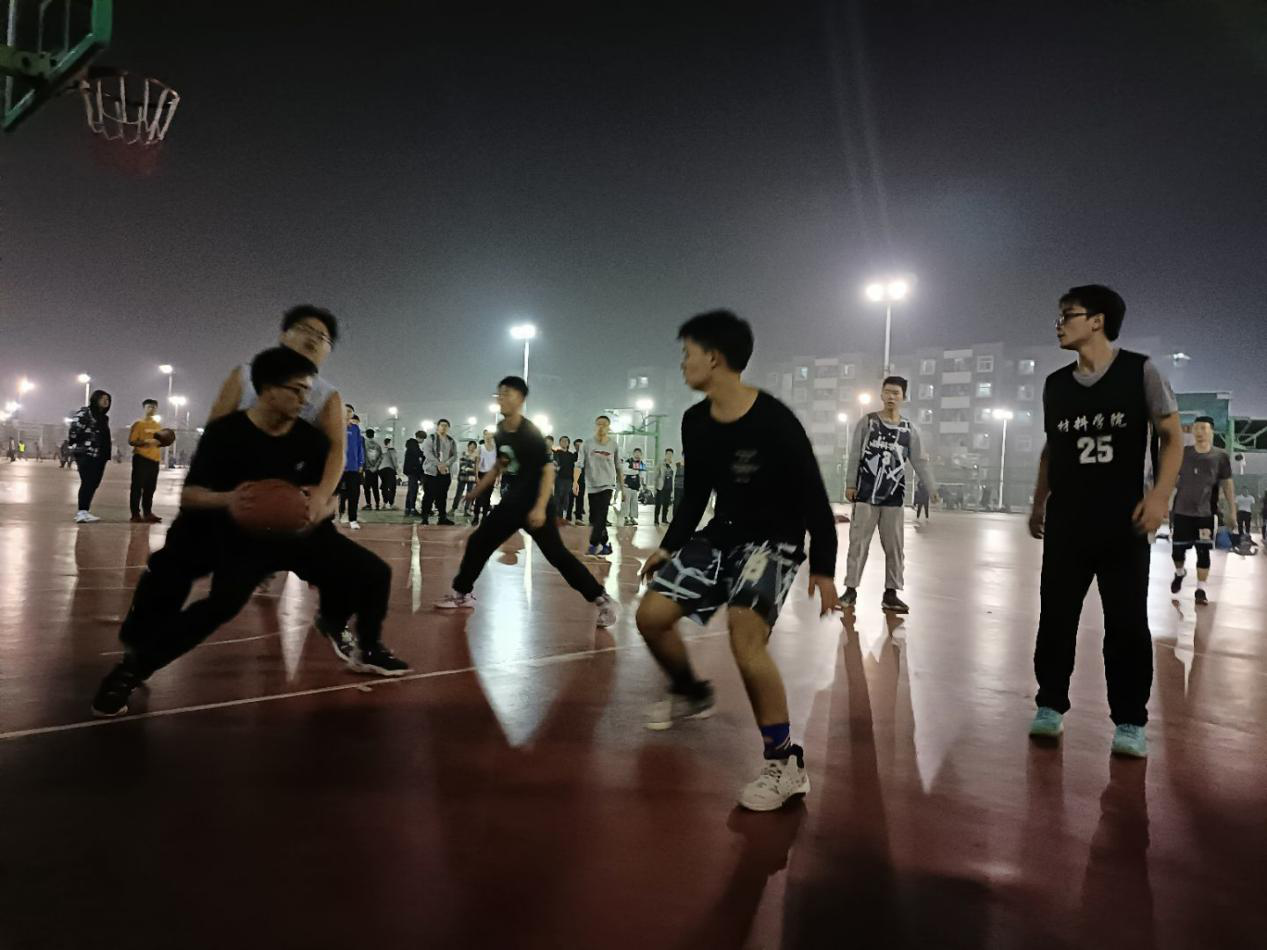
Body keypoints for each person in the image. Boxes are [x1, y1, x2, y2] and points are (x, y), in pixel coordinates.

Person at [90, 348, 409, 717]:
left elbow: (330, 497)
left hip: (299, 532)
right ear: (267, 389)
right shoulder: (226, 434)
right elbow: (191, 495)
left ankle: (360, 642)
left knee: (373, 572)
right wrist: (231, 499)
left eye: (307, 392)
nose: (304, 400)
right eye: (296, 390)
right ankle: (130, 671)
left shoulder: (311, 439)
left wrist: (320, 503)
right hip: (246, 535)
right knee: (221, 605)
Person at [636, 310, 838, 811]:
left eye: (687, 353)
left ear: (714, 358)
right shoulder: (695, 422)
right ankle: (690, 690)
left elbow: (813, 494)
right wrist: (669, 546)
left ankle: (785, 763)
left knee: (745, 632)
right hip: (722, 534)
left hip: (774, 540)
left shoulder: (775, 420)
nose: (682, 363)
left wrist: (824, 567)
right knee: (651, 616)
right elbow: (695, 494)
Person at [1027, 284, 1182, 760]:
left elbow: (1172, 436)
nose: (1059, 324)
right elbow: (1053, 450)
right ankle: (1050, 705)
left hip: (1124, 522)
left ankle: (1130, 721)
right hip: (1068, 521)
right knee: (1056, 617)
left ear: (1097, 321)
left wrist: (1159, 496)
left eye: (1067, 315)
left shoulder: (1140, 371)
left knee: (1127, 624)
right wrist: (1038, 503)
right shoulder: (1056, 385)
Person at [434, 376, 619, 627]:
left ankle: (602, 599)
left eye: (507, 394)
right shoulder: (501, 430)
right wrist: (477, 490)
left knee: (557, 556)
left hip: (535, 503)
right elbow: (501, 464)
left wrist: (541, 507)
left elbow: (548, 471)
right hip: (513, 502)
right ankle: (462, 594)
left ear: (520, 399)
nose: (501, 398)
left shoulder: (530, 433)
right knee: (479, 541)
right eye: (499, 393)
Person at [207, 305, 347, 532]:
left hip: (286, 495)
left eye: (322, 337)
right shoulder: (244, 376)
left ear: (327, 350)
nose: (313, 338)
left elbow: (336, 451)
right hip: (236, 488)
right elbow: (215, 429)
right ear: (284, 335)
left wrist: (322, 495)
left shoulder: (328, 396)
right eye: (305, 329)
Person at [840, 376, 937, 614]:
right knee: (858, 544)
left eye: (896, 393)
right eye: (887, 392)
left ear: (904, 397)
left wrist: (931, 487)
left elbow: (920, 461)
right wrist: (851, 483)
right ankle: (850, 590)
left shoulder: (909, 429)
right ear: (881, 395)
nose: (891, 396)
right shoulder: (868, 423)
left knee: (895, 547)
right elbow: (855, 454)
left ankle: (891, 593)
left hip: (894, 498)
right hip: (866, 495)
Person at [1169, 416, 1236, 605]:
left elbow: (1227, 484)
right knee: (1177, 553)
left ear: (1211, 431)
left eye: (1204, 428)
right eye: (1196, 428)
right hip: (1182, 512)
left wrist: (1232, 510)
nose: (1199, 432)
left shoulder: (1220, 456)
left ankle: (1200, 589)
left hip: (1206, 514)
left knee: (1203, 551)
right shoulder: (1183, 453)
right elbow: (1171, 478)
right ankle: (1180, 573)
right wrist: (1164, 501)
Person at [68, 389, 113, 523]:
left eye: (108, 400)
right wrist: (81, 445)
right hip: (86, 454)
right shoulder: (85, 413)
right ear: (95, 399)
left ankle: (84, 511)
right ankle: (82, 512)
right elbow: (74, 431)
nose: (106, 401)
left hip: (100, 455)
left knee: (93, 483)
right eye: (103, 399)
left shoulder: (103, 417)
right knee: (88, 482)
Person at [582, 415, 619, 556]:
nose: (601, 426)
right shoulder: (588, 444)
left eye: (604, 424)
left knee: (602, 514)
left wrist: (622, 488)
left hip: (608, 485)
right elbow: (579, 463)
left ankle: (593, 544)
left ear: (609, 427)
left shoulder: (613, 445)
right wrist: (575, 482)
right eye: (598, 424)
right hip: (592, 485)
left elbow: (619, 466)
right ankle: (605, 544)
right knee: (594, 517)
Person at [127, 398, 164, 524]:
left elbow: (161, 441)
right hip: (141, 458)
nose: (152, 409)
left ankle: (148, 513)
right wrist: (145, 441)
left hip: (155, 459)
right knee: (137, 487)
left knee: (150, 488)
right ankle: (135, 514)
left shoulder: (158, 425)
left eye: (154, 407)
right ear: (144, 408)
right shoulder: (139, 424)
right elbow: (132, 441)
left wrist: (163, 441)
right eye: (149, 407)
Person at [420, 419, 457, 525]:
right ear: (437, 426)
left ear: (448, 428)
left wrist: (446, 464)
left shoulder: (451, 441)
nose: (444, 427)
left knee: (442, 496)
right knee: (429, 495)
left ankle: (442, 518)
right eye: (442, 425)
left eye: (446, 426)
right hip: (431, 472)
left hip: (445, 472)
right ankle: (425, 517)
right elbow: (427, 453)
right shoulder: (431, 438)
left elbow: (454, 455)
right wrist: (439, 464)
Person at [339, 408, 365, 529]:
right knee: (334, 494)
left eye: (350, 411)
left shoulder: (355, 429)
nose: (348, 413)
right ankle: (331, 517)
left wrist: (361, 463)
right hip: (338, 468)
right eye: (346, 411)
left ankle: (353, 519)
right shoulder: (337, 426)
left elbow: (360, 447)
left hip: (353, 468)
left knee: (354, 494)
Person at [472, 429, 498, 525]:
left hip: (491, 475)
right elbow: (477, 463)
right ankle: (476, 517)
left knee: (487, 497)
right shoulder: (480, 447)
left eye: (490, 434)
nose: (488, 436)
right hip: (481, 474)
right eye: (486, 434)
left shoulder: (496, 448)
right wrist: (476, 476)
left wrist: (498, 477)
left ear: (492, 436)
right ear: (483, 436)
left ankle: (484, 517)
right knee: (478, 496)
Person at [553, 435, 577, 523]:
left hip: (569, 480)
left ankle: (563, 516)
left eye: (566, 441)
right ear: (559, 443)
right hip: (559, 479)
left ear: (568, 443)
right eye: (562, 441)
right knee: (558, 498)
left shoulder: (571, 455)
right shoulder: (556, 453)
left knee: (566, 499)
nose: (564, 442)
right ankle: (557, 517)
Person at [621, 447, 647, 525]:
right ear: (633, 453)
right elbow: (625, 471)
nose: (638, 455)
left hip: (635, 487)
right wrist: (636, 470)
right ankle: (626, 519)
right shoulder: (628, 461)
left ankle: (632, 518)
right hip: (627, 486)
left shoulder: (641, 463)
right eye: (636, 453)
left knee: (634, 504)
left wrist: (643, 484)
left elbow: (642, 474)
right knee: (626, 503)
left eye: (639, 453)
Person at [454, 440, 479, 519]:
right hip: (462, 476)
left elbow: (477, 467)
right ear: (468, 446)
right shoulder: (463, 453)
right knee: (459, 492)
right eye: (471, 446)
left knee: (469, 493)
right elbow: (460, 464)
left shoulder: (476, 455)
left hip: (471, 477)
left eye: (474, 447)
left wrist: (476, 477)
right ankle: (454, 508)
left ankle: (466, 510)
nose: (472, 448)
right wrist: (458, 474)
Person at [403, 430, 425, 516]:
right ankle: (412, 509)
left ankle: (407, 508)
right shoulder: (414, 445)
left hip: (410, 471)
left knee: (410, 490)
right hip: (413, 471)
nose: (423, 441)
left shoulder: (411, 445)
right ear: (420, 438)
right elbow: (419, 456)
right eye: (423, 439)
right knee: (413, 490)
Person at [363, 427, 384, 511]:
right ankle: (377, 504)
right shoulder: (377, 445)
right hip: (375, 470)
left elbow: (363, 456)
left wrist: (367, 466)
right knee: (375, 487)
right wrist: (376, 467)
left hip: (368, 469)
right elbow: (381, 457)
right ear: (373, 435)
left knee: (366, 487)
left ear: (366, 435)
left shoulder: (364, 444)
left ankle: (368, 504)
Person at [653, 448, 675, 526]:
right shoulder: (660, 464)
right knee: (658, 505)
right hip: (660, 487)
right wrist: (655, 488)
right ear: (665, 454)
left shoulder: (673, 465)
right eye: (668, 454)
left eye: (671, 454)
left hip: (669, 488)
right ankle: (656, 520)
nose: (669, 456)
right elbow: (655, 476)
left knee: (666, 505)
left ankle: (664, 519)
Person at [379, 437, 399, 508]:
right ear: (389, 443)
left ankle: (384, 502)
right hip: (389, 469)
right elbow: (394, 460)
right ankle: (391, 503)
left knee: (384, 486)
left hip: (381, 469)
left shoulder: (381, 449)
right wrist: (397, 470)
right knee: (392, 487)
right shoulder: (392, 450)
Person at [570, 438, 586, 522]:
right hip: (572, 481)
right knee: (570, 500)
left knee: (580, 499)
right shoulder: (572, 456)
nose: (579, 447)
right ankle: (568, 517)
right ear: (574, 446)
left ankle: (578, 517)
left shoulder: (586, 458)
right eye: (577, 445)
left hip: (582, 481)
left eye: (580, 445)